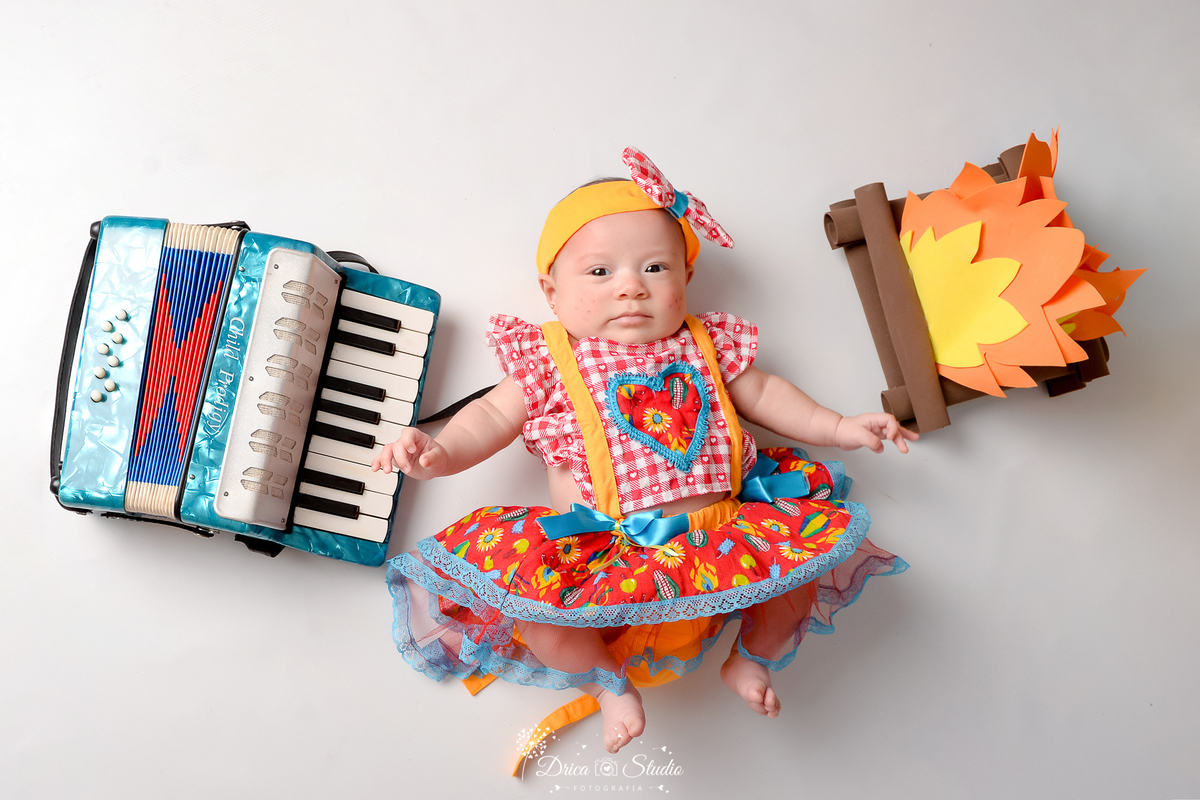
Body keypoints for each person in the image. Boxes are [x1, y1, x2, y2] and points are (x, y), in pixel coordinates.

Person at [374, 148, 916, 755]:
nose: (631, 286)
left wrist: (839, 425)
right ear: (552, 292)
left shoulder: (704, 344)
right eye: (600, 272)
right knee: (534, 612)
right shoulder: (550, 361)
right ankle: (609, 684)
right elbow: (492, 417)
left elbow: (766, 395)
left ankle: (752, 657)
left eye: (655, 267)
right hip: (607, 551)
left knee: (799, 574)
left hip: (726, 537)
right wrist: (440, 452)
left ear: (686, 279)